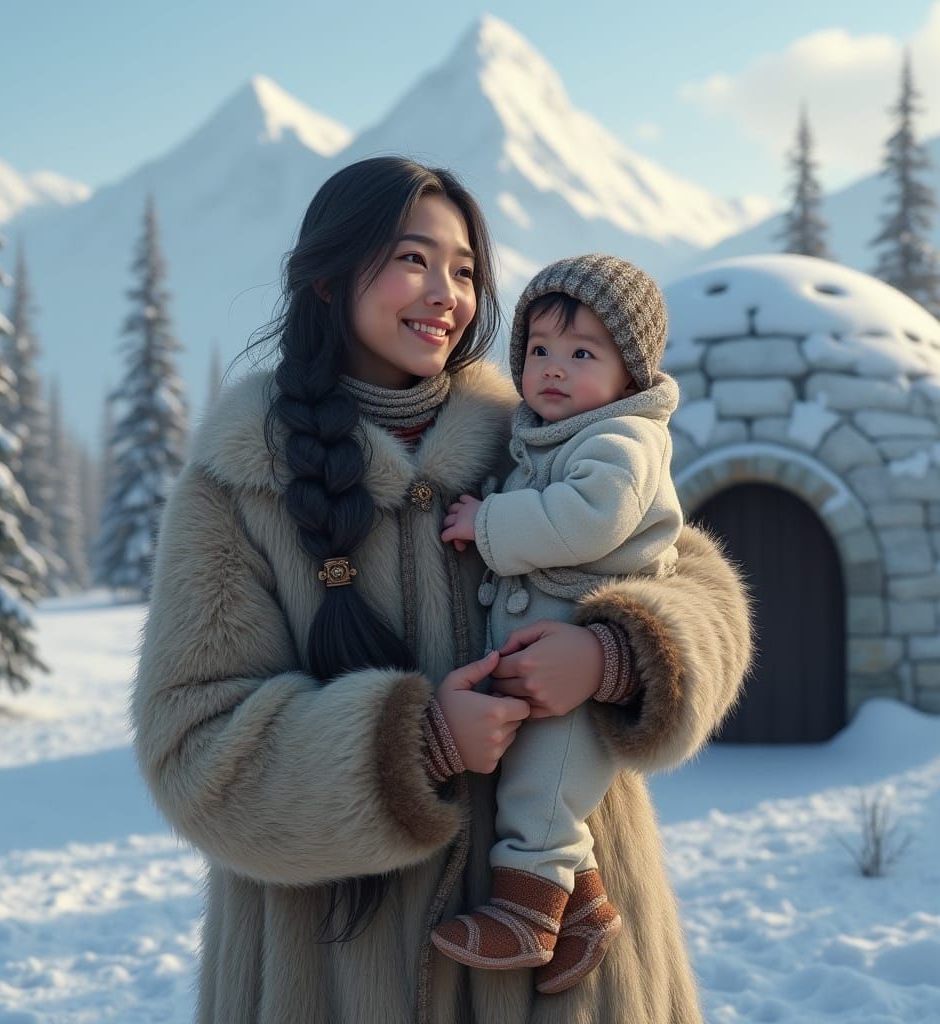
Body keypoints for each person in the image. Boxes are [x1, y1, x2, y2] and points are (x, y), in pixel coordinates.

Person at [131, 156, 752, 1024]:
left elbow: (700, 586)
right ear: (326, 279)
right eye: (413, 259)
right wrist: (413, 742)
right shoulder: (240, 484)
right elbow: (193, 748)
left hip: (567, 981)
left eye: (465, 270)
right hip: (335, 976)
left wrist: (613, 655)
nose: (446, 293)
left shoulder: (542, 429)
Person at [432, 254, 683, 995]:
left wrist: (490, 522)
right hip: (547, 659)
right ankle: (584, 910)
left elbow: (587, 519)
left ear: (630, 374)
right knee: (549, 787)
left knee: (542, 793)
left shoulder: (622, 442)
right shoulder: (554, 435)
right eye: (539, 350)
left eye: (582, 354)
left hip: (580, 666)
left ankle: (525, 912)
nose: (553, 368)